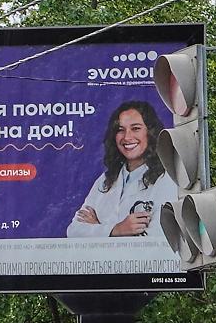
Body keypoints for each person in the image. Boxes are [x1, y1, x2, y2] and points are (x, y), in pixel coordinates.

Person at [66, 99, 182, 238]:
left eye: (136, 128)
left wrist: (98, 229)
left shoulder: (166, 178)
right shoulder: (105, 180)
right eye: (120, 130)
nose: (127, 137)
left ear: (150, 132)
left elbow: (157, 235)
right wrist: (116, 229)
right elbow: (74, 231)